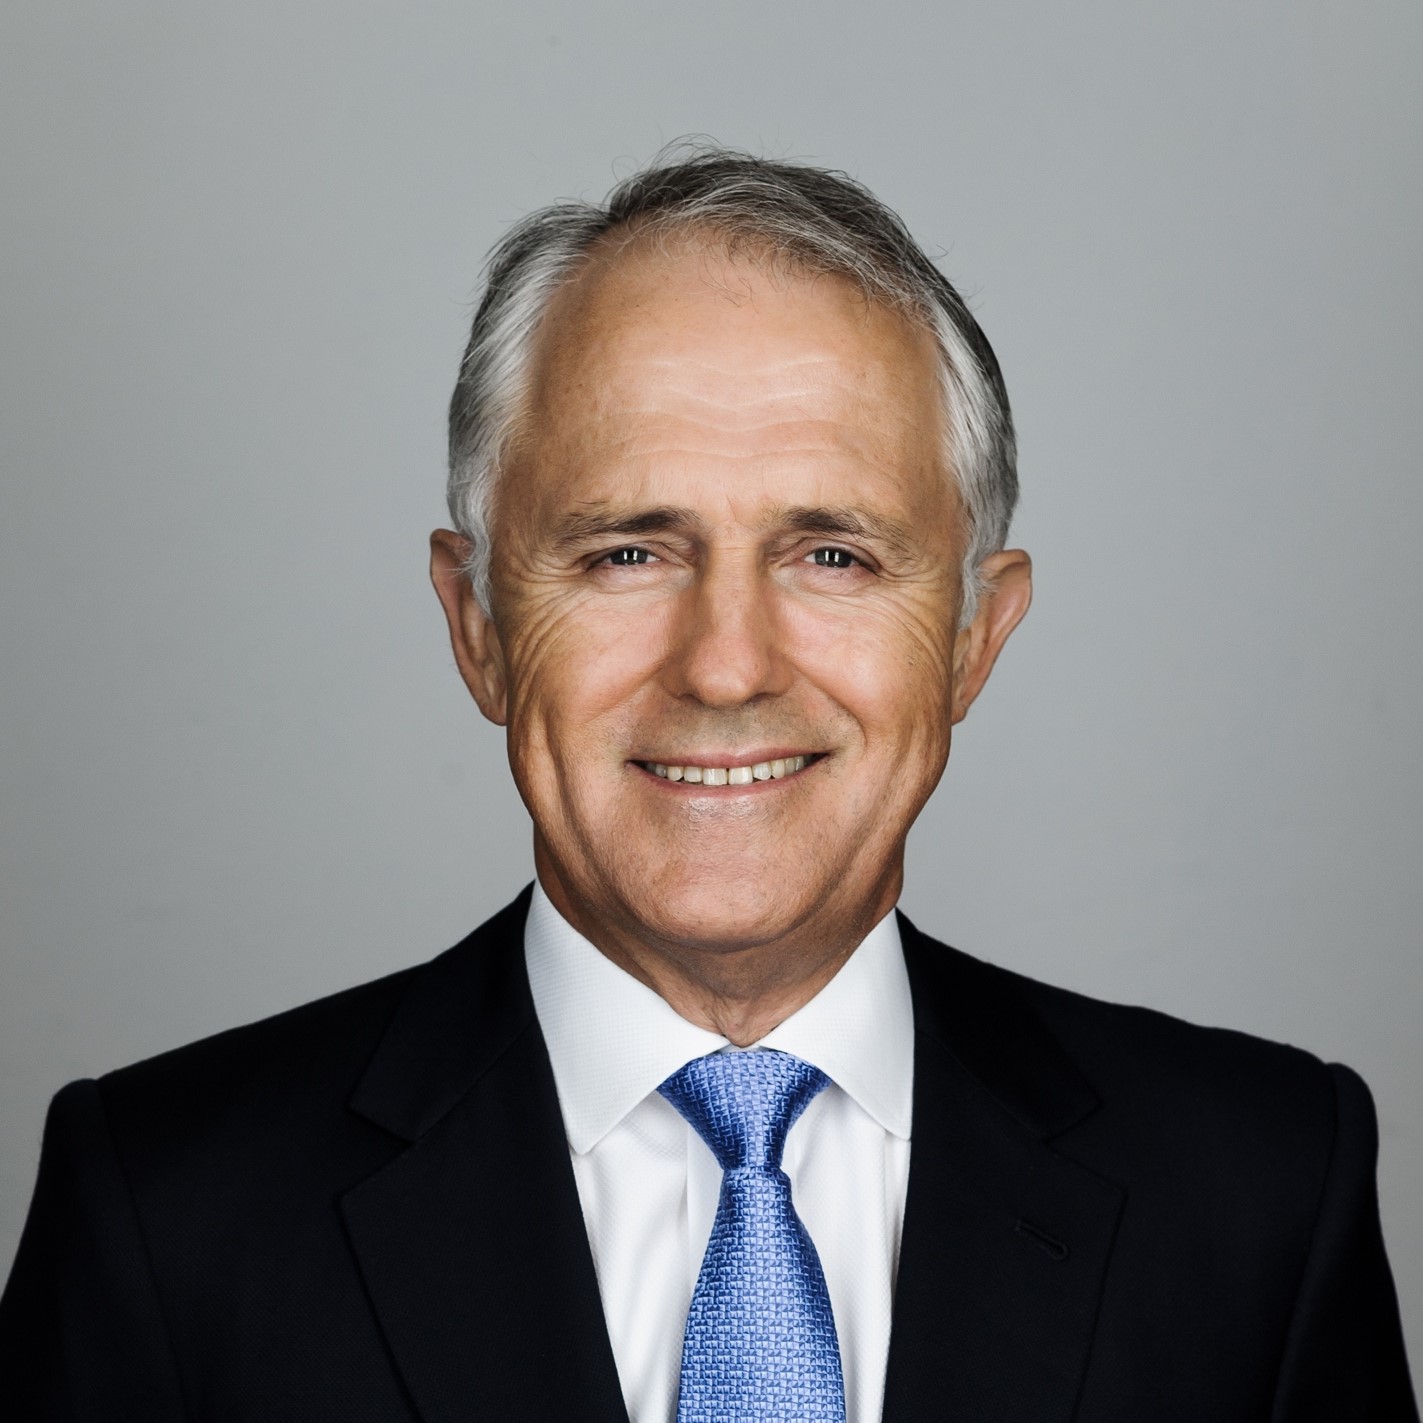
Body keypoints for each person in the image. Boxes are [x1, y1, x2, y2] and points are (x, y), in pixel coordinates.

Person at [0, 145, 1414, 1422]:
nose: (727, 666)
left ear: (974, 640)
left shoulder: (1262, 1195)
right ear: (478, 626)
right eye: (628, 552)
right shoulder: (167, 1214)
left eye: (832, 555)